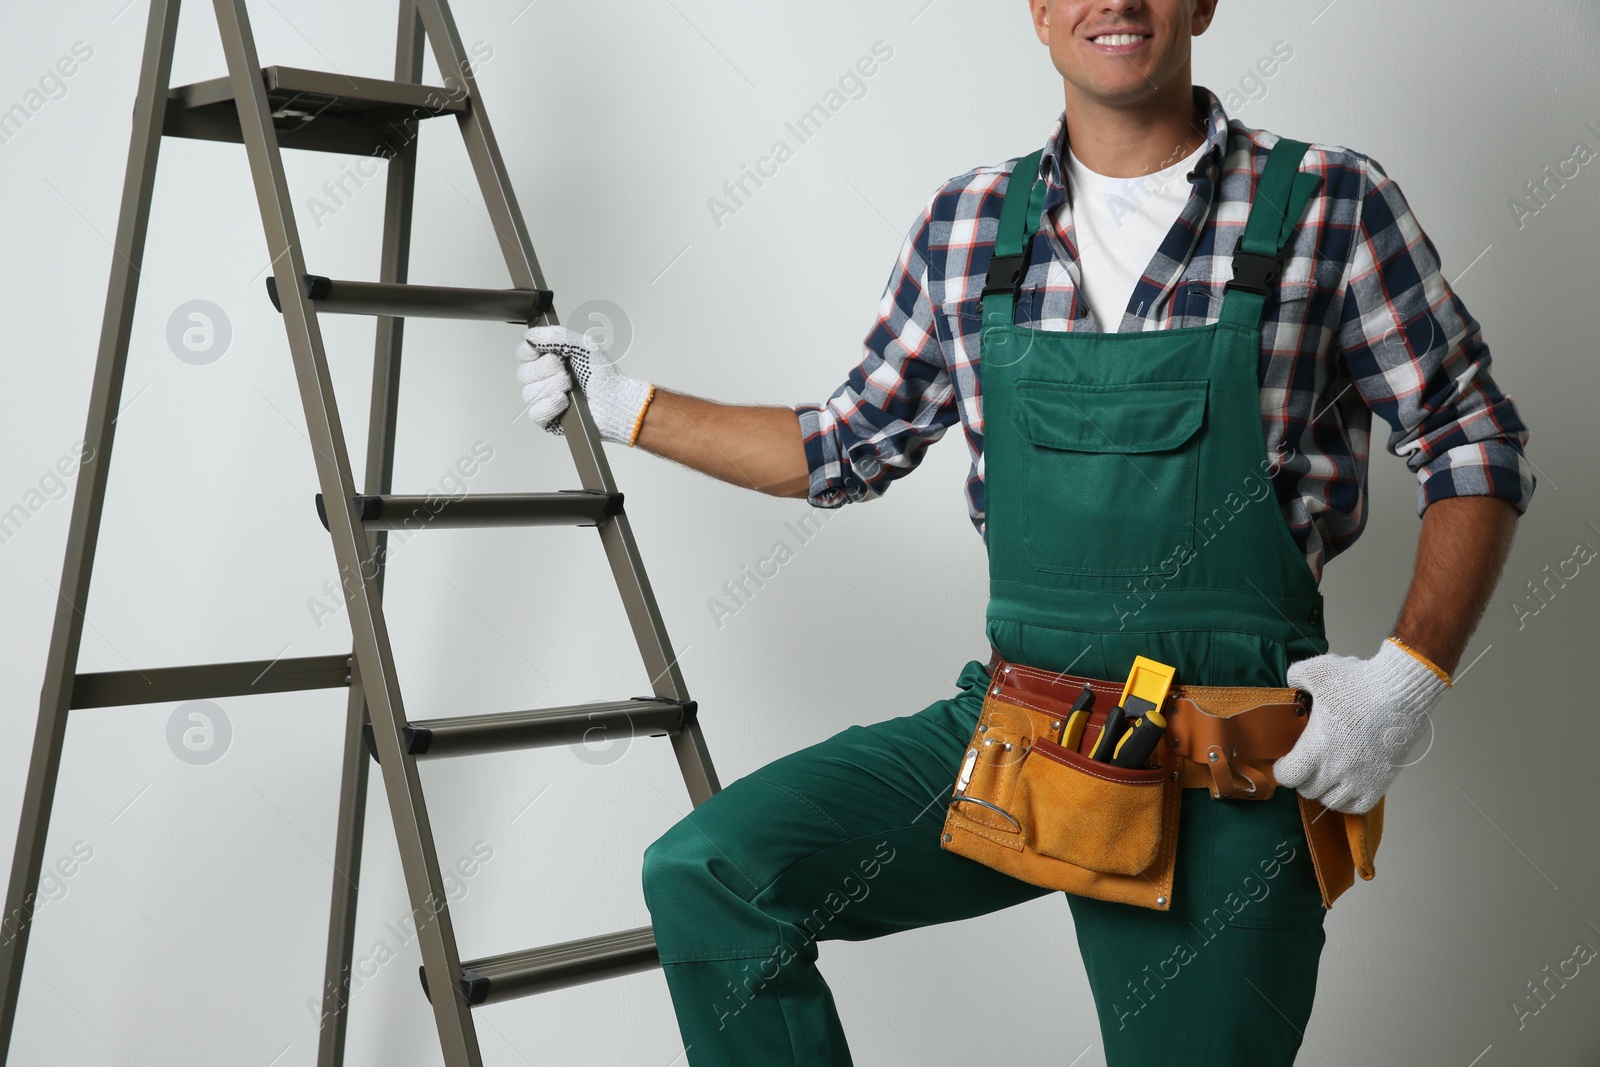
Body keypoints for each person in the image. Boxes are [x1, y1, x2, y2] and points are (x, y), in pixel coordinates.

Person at [513, 1, 1532, 1062]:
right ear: (1039, 12)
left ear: (1201, 3)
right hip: (1017, 735)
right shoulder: (969, 222)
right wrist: (623, 403)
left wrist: (1408, 676)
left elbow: (1471, 436)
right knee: (714, 872)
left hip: (1215, 772)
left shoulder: (1329, 201)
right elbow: (844, 445)